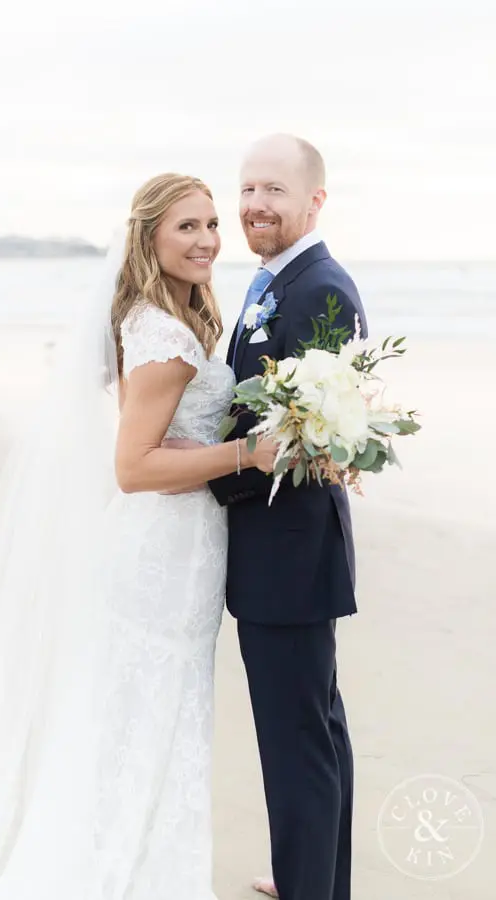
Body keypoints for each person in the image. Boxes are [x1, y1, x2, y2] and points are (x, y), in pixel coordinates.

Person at [0, 173, 277, 899]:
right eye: (186, 228)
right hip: (161, 550)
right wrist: (246, 455)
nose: (206, 241)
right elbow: (133, 467)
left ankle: (139, 863)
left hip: (182, 547)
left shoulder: (165, 316)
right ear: (150, 238)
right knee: (145, 709)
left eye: (209, 225)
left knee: (151, 709)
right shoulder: (162, 332)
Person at [209, 135, 369, 900]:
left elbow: (312, 438)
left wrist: (207, 475)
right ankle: (316, 880)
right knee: (313, 727)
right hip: (281, 551)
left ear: (315, 200)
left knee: (297, 737)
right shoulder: (275, 280)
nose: (254, 205)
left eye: (273, 189)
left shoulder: (321, 287)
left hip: (291, 552)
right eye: (245, 189)